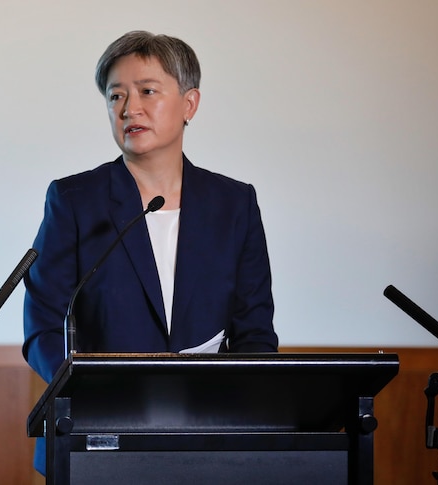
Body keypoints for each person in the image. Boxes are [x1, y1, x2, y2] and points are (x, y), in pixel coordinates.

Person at [22, 30, 279, 474]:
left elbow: (254, 332)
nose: (128, 109)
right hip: (94, 438)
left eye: (147, 92)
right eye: (115, 96)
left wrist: (238, 405)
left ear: (189, 104)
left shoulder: (233, 204)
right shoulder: (74, 200)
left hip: (209, 438)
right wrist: (86, 394)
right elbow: (43, 326)